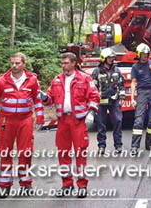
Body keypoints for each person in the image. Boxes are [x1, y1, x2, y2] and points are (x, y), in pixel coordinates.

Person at [0, 52, 45, 198]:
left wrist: (40, 119)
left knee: (25, 152)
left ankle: (26, 184)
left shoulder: (32, 80)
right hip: (7, 121)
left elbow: (37, 101)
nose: (14, 66)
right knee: (5, 153)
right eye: (12, 63)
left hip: (25, 120)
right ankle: (5, 186)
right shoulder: (2, 81)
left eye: (17, 63)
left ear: (24, 64)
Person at [44, 52, 99, 198]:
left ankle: (82, 185)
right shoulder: (57, 80)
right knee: (63, 154)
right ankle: (66, 184)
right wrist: (43, 97)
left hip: (78, 121)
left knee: (80, 153)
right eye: (62, 63)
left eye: (66, 63)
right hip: (62, 122)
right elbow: (49, 99)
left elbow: (94, 96)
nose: (63, 66)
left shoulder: (85, 79)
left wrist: (91, 114)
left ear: (74, 63)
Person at [92, 48, 125, 155]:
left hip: (114, 100)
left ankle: (118, 145)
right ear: (104, 59)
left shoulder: (117, 71)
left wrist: (122, 96)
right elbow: (94, 87)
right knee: (101, 124)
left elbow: (121, 84)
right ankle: (101, 146)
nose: (112, 59)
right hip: (101, 102)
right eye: (109, 57)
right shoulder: (96, 72)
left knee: (118, 121)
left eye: (112, 57)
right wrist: (94, 101)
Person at [130, 43, 151, 154]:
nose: (145, 56)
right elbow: (133, 83)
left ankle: (149, 145)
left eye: (147, 54)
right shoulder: (135, 67)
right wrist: (132, 98)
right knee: (139, 121)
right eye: (143, 54)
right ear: (139, 54)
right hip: (142, 92)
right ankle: (134, 147)